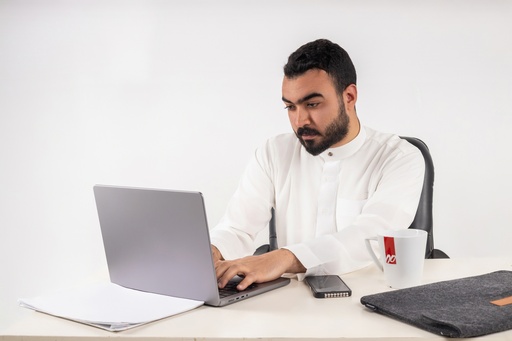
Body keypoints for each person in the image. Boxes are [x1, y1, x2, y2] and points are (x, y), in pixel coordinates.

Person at [210, 39, 425, 291]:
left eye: (312, 104)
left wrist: (284, 257)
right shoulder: (274, 153)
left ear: (349, 96)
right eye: (290, 107)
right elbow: (237, 227)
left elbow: (373, 236)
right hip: (290, 303)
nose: (300, 120)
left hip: (371, 300)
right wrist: (212, 252)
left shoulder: (399, 157)